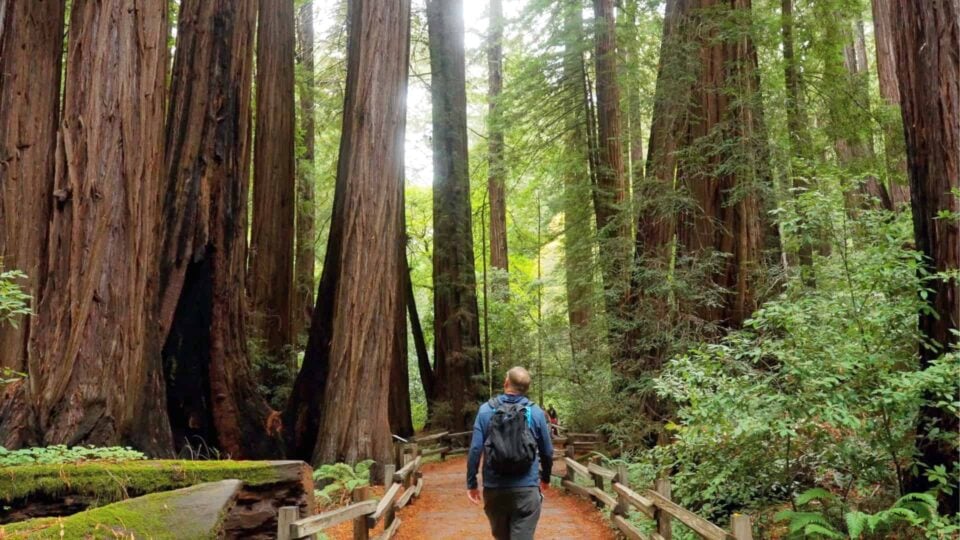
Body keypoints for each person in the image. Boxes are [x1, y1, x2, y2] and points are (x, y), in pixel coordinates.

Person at [467, 366, 553, 540]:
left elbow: (476, 449)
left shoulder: (485, 410)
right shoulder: (535, 413)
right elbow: (547, 451)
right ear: (526, 389)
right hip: (526, 489)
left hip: (494, 490)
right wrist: (545, 478)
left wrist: (472, 483)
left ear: (506, 383)